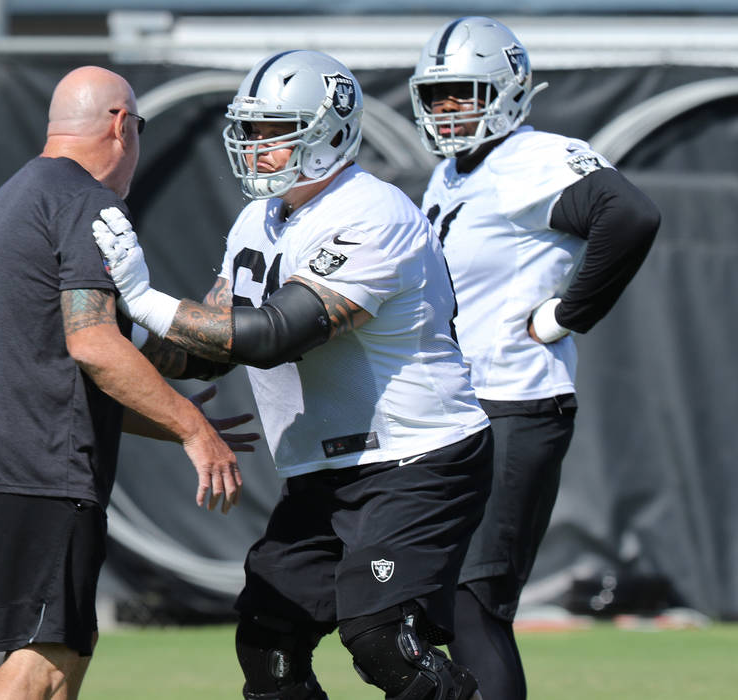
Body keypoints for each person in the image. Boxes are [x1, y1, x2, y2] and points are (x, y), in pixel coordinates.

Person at [93, 50, 493, 700]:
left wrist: (143, 298)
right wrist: (116, 331)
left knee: (383, 638)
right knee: (267, 638)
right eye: (249, 131)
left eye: (273, 131)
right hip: (322, 473)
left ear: (329, 128)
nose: (256, 147)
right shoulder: (259, 217)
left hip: (415, 458)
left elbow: (278, 334)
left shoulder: (372, 213)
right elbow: (212, 346)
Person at [0, 65, 256, 700]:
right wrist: (194, 431)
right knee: (45, 665)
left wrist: (167, 419)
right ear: (120, 125)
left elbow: (48, 362)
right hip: (40, 468)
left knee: (61, 657)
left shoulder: (18, 196)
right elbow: (92, 344)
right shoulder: (85, 201)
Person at [409, 17, 661, 699]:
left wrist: (565, 314)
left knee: (474, 600)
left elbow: (629, 215)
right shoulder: (448, 175)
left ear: (506, 89)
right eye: (436, 95)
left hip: (515, 403)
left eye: (462, 91)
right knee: (433, 604)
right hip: (456, 411)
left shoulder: (535, 157)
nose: (447, 108)